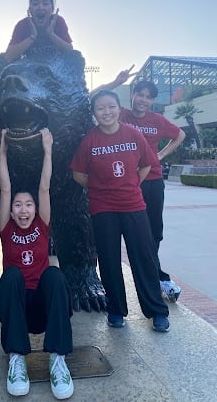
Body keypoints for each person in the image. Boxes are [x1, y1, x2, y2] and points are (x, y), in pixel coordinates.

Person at [70, 89, 170, 332]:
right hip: (103, 208)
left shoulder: (133, 134)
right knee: (109, 260)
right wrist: (100, 188)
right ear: (94, 113)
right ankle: (116, 310)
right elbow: (78, 174)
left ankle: (156, 311)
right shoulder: (90, 141)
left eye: (111, 106)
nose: (106, 112)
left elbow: (146, 164)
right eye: (101, 108)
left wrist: (131, 184)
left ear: (118, 108)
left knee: (143, 259)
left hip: (134, 206)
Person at [0, 128, 74, 400]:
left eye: (28, 205)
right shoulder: (6, 228)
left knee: (53, 274)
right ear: (11, 210)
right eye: (18, 205)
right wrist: (3, 152)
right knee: (11, 276)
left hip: (44, 308)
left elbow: (44, 186)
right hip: (16, 308)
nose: (24, 210)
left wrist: (47, 151)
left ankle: (58, 359)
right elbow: (5, 187)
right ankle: (17, 359)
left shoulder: (42, 224)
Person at [99, 70, 186, 301]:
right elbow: (94, 98)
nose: (143, 100)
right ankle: (156, 276)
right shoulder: (121, 115)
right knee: (138, 235)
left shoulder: (157, 120)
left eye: (148, 97)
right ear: (133, 95)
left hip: (153, 182)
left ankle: (154, 274)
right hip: (126, 184)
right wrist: (117, 81)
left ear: (152, 100)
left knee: (154, 232)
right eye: (140, 94)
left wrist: (160, 155)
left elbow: (180, 135)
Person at [4, 0, 73, 63]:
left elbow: (70, 52)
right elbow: (8, 57)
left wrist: (51, 34)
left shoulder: (58, 22)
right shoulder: (22, 25)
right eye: (35, 4)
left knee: (77, 58)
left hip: (55, 67)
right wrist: (32, 37)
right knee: (0, 60)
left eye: (45, 4)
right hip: (29, 67)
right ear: (30, 9)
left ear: (52, 9)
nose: (40, 7)